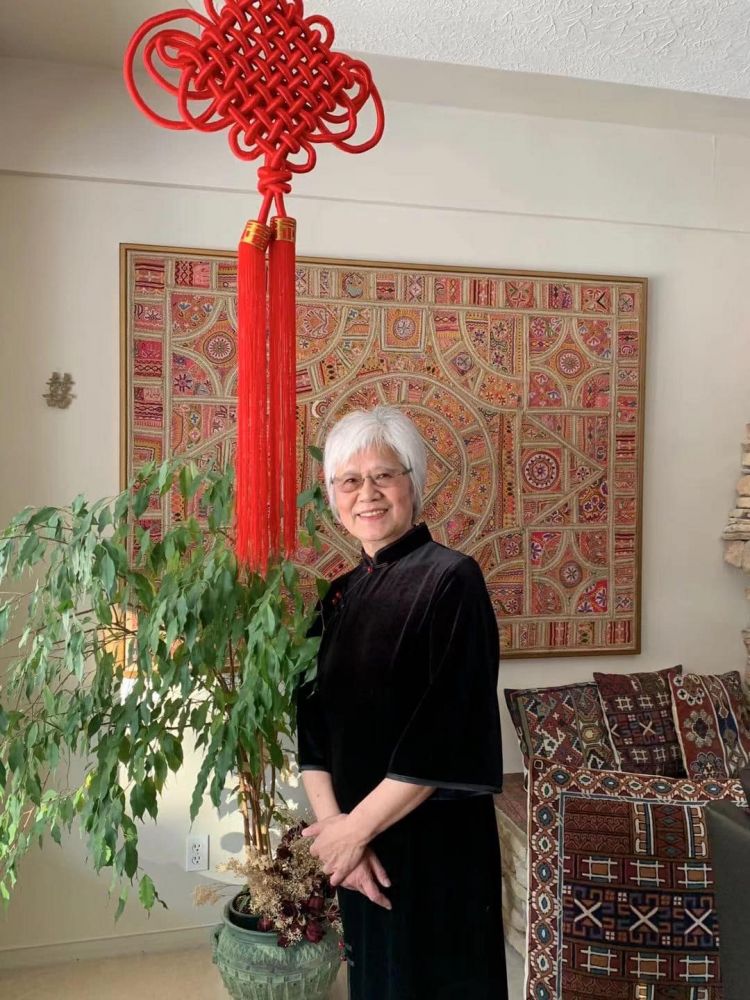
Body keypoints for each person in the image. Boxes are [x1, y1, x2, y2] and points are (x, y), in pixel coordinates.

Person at [296, 405, 507, 1000]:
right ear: (333, 497)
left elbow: (446, 731)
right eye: (349, 480)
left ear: (414, 484)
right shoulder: (336, 597)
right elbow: (311, 727)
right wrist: (339, 837)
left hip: (435, 847)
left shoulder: (452, 580)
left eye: (383, 476)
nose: (366, 493)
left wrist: (353, 833)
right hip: (359, 850)